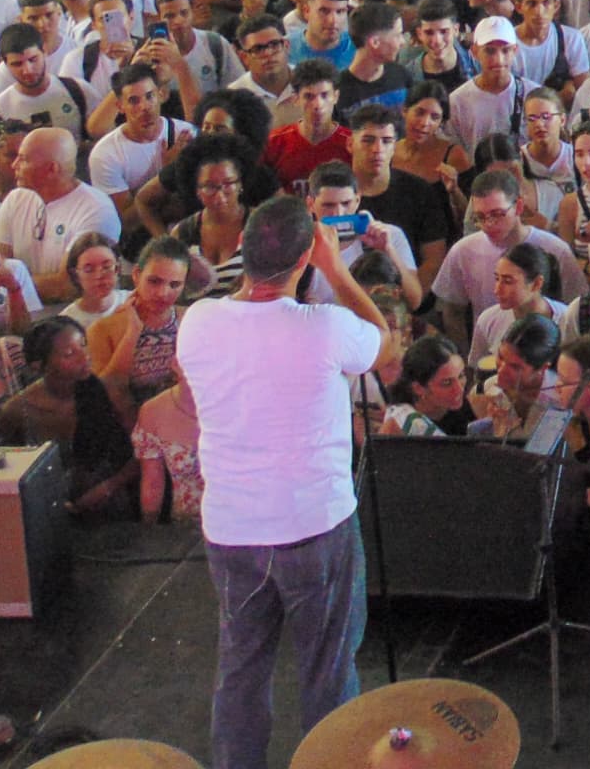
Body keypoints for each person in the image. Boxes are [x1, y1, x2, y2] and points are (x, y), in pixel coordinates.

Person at [175, 195, 386, 769]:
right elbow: (380, 340)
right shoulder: (325, 328)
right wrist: (337, 269)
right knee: (328, 667)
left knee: (240, 668)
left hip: (232, 528)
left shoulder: (198, 320)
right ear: (304, 261)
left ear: (242, 249)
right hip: (314, 525)